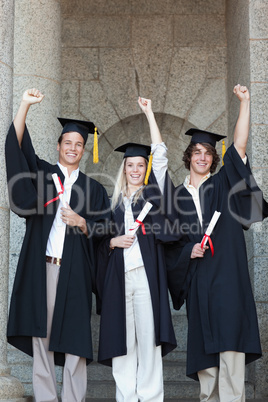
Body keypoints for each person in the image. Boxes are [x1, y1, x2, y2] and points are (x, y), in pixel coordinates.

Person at [5, 88, 111, 402]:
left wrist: (83, 223)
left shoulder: (93, 189)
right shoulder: (44, 175)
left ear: (83, 150)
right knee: (42, 336)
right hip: (45, 268)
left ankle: (73, 399)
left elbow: (107, 228)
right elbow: (17, 149)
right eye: (68, 143)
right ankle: (47, 398)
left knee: (76, 340)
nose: (73, 148)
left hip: (76, 271)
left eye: (79, 144)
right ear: (59, 146)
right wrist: (25, 105)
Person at [165, 84, 268, 401]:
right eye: (197, 152)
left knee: (231, 348)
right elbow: (169, 242)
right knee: (206, 358)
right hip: (198, 280)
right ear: (188, 156)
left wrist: (245, 104)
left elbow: (238, 145)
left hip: (227, 277)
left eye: (208, 153)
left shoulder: (223, 183)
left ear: (213, 159)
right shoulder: (176, 196)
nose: (202, 157)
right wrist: (187, 251)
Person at [96, 97, 177, 402]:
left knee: (148, 339)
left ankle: (151, 396)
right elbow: (99, 240)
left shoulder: (153, 198)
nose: (134, 168)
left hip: (145, 277)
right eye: (129, 164)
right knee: (122, 339)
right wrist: (113, 242)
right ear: (123, 169)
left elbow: (161, 156)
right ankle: (126, 397)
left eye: (139, 165)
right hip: (119, 277)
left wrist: (149, 114)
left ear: (145, 169)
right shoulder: (112, 205)